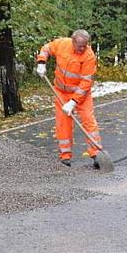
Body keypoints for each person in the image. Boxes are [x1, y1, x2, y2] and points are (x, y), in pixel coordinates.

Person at [36, 30, 103, 169]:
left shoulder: (89, 56)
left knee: (88, 121)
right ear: (73, 42)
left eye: (85, 45)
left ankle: (97, 154)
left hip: (81, 94)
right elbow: (46, 48)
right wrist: (41, 62)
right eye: (79, 46)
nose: (82, 48)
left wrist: (73, 102)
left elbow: (85, 84)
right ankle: (65, 157)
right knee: (63, 124)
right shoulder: (62, 44)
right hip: (61, 92)